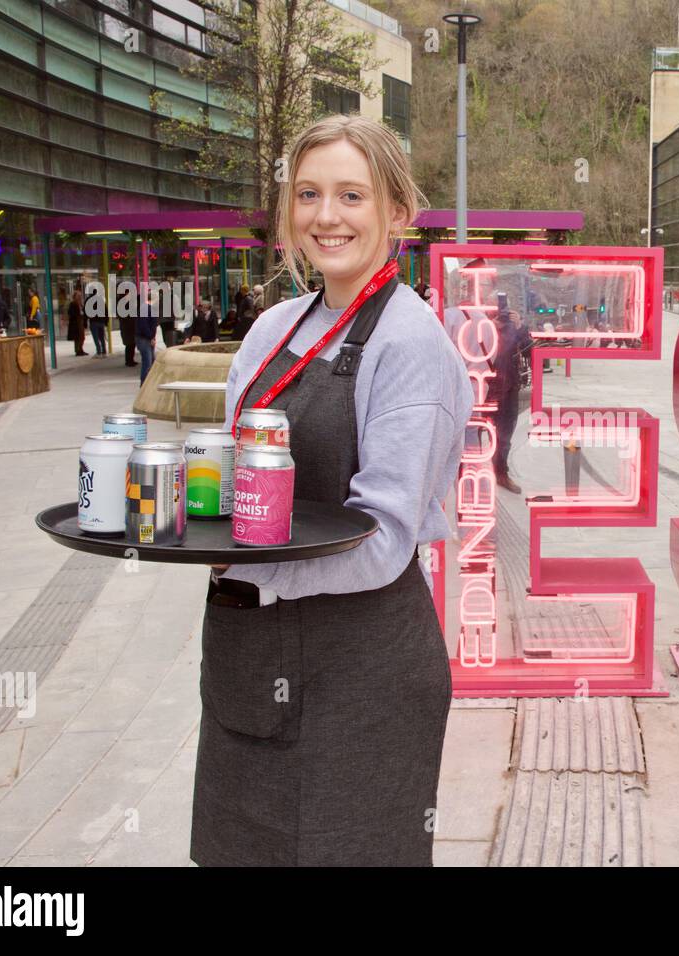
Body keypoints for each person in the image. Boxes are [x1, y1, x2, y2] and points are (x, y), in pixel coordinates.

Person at [194, 113, 472, 867]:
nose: (326, 216)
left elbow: (382, 541)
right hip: (249, 659)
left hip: (359, 674)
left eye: (352, 195)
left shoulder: (409, 345)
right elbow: (234, 471)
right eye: (308, 194)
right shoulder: (273, 329)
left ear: (397, 213)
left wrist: (246, 568)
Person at [489, 307, 533, 493]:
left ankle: (501, 472)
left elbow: (530, 353)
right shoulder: (482, 324)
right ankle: (475, 471)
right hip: (485, 387)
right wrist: (490, 325)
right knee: (475, 433)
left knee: (505, 435)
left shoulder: (514, 328)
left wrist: (520, 327)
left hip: (509, 388)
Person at [134, 298, 157, 385]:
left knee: (151, 361)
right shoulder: (145, 309)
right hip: (144, 338)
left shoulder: (148, 308)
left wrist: (152, 337)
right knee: (147, 362)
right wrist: (151, 337)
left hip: (146, 338)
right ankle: (144, 383)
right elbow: (144, 325)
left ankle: (148, 382)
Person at [67, 288, 87, 356]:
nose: (79, 297)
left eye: (80, 296)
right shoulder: (72, 304)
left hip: (81, 321)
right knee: (77, 337)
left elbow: (83, 312)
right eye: (78, 296)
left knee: (82, 337)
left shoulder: (81, 304)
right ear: (74, 297)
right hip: (76, 323)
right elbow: (70, 313)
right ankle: (78, 350)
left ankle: (81, 349)